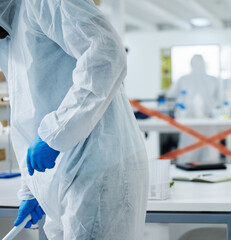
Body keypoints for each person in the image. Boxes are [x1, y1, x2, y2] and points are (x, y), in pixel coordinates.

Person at [0, 0, 148, 239]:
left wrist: (55, 133)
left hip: (98, 167)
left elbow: (106, 53)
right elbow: (27, 110)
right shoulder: (7, 33)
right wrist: (31, 188)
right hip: (61, 178)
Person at [168, 54, 220, 163]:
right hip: (201, 124)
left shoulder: (184, 79)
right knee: (207, 160)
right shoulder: (212, 80)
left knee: (191, 159)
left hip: (196, 124)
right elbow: (221, 102)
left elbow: (171, 96)